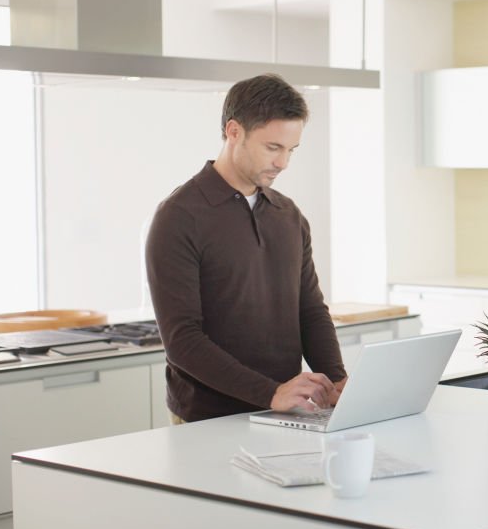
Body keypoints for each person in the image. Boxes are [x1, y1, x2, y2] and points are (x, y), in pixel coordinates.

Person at [146, 73, 346, 423]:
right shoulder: (179, 216)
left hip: (284, 412)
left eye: (291, 150)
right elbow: (183, 341)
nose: (283, 162)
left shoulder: (288, 215)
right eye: (273, 147)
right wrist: (270, 392)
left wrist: (336, 380)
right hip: (206, 418)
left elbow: (310, 311)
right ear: (233, 131)